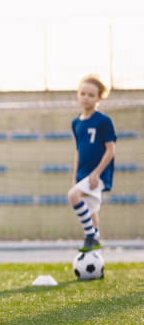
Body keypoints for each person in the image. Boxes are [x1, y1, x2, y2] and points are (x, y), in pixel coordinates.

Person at [67, 75, 116, 253]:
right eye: (82, 93)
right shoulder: (76, 123)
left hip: (99, 174)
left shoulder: (104, 121)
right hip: (83, 173)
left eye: (91, 95)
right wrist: (74, 178)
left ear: (99, 98)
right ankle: (96, 247)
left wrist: (96, 173)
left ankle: (90, 236)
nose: (86, 97)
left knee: (73, 196)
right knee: (91, 210)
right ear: (78, 95)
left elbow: (110, 150)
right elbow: (78, 151)